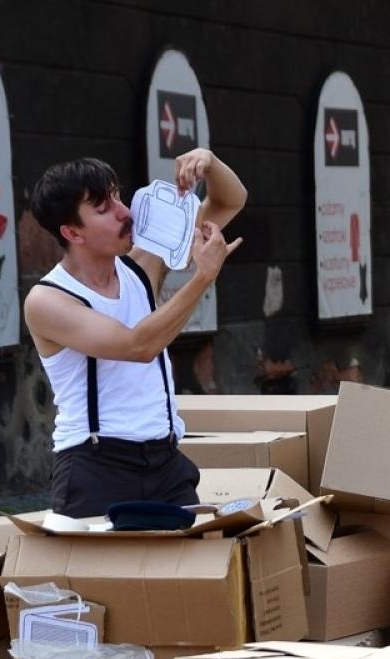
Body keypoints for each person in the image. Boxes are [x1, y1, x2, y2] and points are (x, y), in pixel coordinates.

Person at [24, 149, 246, 518]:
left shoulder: (143, 264)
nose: (124, 212)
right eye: (103, 208)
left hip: (165, 460)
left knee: (198, 553)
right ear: (72, 232)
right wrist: (203, 277)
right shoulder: (48, 300)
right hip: (96, 465)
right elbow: (138, 345)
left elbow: (229, 201)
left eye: (117, 196)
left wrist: (210, 163)